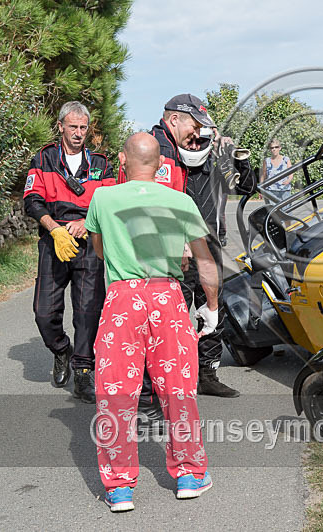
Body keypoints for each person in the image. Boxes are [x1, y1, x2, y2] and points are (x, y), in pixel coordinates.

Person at [86, 132, 218, 512]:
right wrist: (211, 306)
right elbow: (204, 261)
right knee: (178, 388)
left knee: (115, 391)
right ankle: (190, 475)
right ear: (161, 165)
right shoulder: (180, 201)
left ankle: (119, 487)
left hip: (123, 298)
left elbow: (99, 249)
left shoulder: (103, 198)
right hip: (168, 297)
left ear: (123, 162)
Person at [123, 93, 254, 398]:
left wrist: (236, 158)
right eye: (194, 129)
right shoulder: (159, 150)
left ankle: (206, 374)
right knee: (169, 317)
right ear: (175, 120)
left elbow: (246, 187)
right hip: (172, 252)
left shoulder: (213, 156)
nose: (197, 137)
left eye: (202, 132)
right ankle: (156, 386)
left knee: (212, 309)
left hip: (208, 246)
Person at [23, 101, 114, 403]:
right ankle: (61, 349)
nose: (78, 133)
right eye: (72, 126)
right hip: (54, 240)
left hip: (89, 243)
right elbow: (32, 200)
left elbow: (110, 202)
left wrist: (86, 225)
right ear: (60, 126)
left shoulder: (101, 163)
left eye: (83, 127)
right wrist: (54, 228)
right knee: (44, 312)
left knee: (88, 312)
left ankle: (84, 371)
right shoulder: (44, 158)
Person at [259, 138, 292, 204]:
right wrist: (261, 189)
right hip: (270, 191)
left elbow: (291, 172)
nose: (274, 149)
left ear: (280, 148)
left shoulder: (286, 159)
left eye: (276, 147)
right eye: (272, 148)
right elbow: (263, 175)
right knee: (272, 212)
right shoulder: (266, 161)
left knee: (286, 211)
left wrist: (288, 180)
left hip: (284, 190)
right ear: (270, 149)